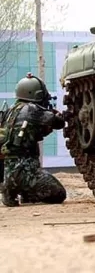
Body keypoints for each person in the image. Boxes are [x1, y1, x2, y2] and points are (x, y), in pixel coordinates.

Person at [1, 73, 69, 207]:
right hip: (26, 172)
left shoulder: (10, 111)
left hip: (7, 172)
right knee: (59, 193)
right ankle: (27, 191)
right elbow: (58, 123)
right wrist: (60, 115)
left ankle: (9, 190)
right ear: (36, 95)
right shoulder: (33, 109)